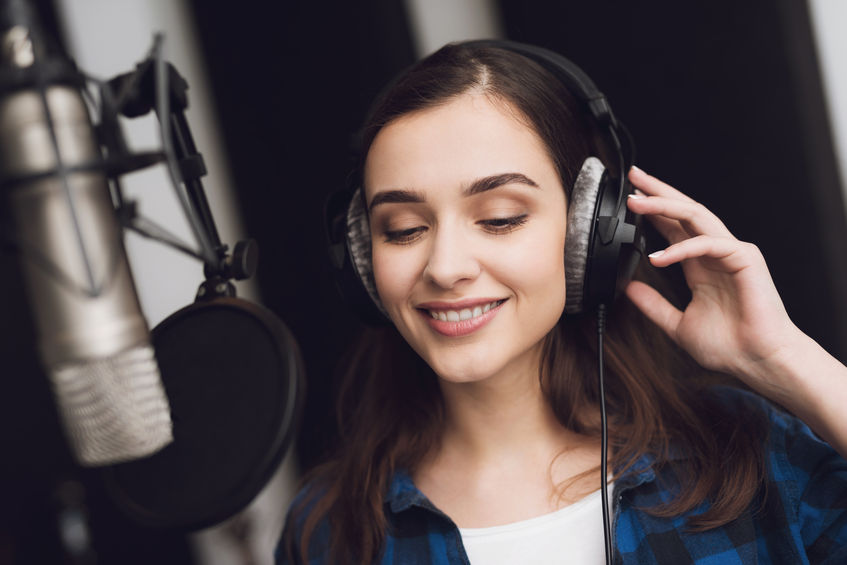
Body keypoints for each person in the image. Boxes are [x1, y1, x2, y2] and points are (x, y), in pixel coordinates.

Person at [276, 40, 847, 564]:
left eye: (500, 218)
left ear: (590, 230)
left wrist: (783, 358)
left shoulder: (748, 459)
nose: (445, 267)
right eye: (401, 229)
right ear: (359, 259)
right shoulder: (328, 531)